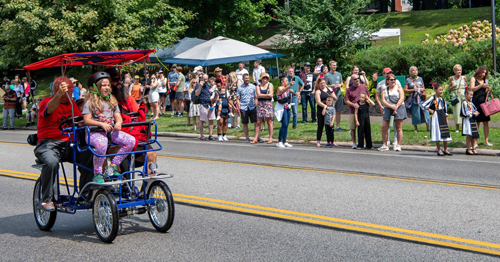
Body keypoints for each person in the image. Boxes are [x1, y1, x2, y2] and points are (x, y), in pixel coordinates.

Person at [34, 76, 94, 211]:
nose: (73, 90)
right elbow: (49, 109)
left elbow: (80, 121)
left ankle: (86, 193)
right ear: (58, 89)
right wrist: (59, 94)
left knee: (90, 154)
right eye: (69, 88)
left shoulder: (72, 104)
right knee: (51, 162)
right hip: (49, 144)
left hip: (70, 144)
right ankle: (46, 199)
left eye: (72, 87)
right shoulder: (46, 101)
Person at [82, 72, 136, 183]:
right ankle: (97, 173)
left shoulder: (112, 100)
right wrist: (101, 124)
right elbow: (87, 120)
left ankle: (113, 164)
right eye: (103, 85)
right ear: (97, 87)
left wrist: (118, 123)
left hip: (110, 132)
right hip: (94, 133)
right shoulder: (89, 102)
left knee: (131, 141)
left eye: (108, 85)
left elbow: (118, 116)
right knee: (102, 143)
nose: (107, 88)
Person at [105, 68, 158, 176]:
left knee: (152, 154)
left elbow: (136, 118)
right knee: (119, 152)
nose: (119, 83)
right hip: (114, 141)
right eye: (115, 80)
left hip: (133, 137)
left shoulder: (128, 98)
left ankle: (148, 188)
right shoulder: (104, 101)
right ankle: (125, 185)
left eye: (120, 80)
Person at [422, 83, 452, 156]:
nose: (441, 91)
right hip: (436, 115)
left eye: (442, 90)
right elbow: (423, 105)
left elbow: (445, 109)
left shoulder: (442, 99)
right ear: (435, 90)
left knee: (445, 132)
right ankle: (439, 150)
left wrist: (446, 118)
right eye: (439, 90)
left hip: (442, 115)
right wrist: (430, 110)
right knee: (437, 131)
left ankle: (445, 149)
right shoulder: (432, 98)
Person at [379, 74, 406, 152]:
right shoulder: (384, 90)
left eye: (394, 79)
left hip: (399, 107)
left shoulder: (399, 88)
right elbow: (383, 101)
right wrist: (391, 107)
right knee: (384, 127)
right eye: (391, 79)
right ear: (387, 81)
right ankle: (385, 144)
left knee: (398, 127)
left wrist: (396, 106)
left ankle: (398, 145)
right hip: (388, 108)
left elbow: (402, 98)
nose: (393, 81)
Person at [375, 68, 401, 146]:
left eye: (390, 72)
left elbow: (400, 94)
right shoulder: (381, 84)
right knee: (386, 123)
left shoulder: (397, 82)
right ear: (383, 74)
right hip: (386, 106)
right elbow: (377, 96)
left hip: (396, 106)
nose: (389, 74)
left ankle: (396, 139)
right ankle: (387, 139)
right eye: (387, 73)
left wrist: (397, 106)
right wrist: (380, 106)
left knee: (396, 123)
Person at [344, 73, 369, 149]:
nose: (357, 80)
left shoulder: (364, 87)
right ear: (352, 81)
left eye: (358, 78)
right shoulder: (349, 90)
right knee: (353, 128)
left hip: (362, 112)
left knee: (363, 128)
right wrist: (353, 104)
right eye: (355, 79)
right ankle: (354, 143)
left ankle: (363, 142)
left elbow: (368, 97)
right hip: (353, 111)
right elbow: (346, 100)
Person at [470, 66, 493, 146]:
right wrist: (481, 86)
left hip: (484, 103)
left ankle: (486, 141)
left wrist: (487, 89)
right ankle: (475, 141)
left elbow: (485, 91)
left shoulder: (485, 80)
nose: (484, 74)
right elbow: (472, 89)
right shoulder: (473, 79)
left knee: (486, 122)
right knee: (477, 122)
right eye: (483, 72)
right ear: (479, 71)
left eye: (485, 73)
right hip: (476, 103)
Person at [404, 66, 430, 132]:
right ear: (410, 72)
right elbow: (405, 90)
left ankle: (428, 127)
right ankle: (416, 128)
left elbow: (423, 87)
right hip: (413, 99)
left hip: (421, 98)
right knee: (415, 113)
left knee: (425, 111)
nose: (414, 72)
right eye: (413, 70)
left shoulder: (420, 79)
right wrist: (413, 90)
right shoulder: (408, 80)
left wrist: (422, 89)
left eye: (416, 70)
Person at [237, 73, 259, 142]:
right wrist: (239, 107)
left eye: (248, 78)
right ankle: (247, 137)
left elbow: (256, 96)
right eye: (245, 78)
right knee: (245, 123)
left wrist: (256, 103)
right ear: (243, 79)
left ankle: (257, 137)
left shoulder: (253, 87)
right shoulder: (240, 88)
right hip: (243, 107)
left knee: (256, 122)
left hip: (252, 106)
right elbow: (238, 98)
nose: (247, 79)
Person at [315, 78, 337, 147]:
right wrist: (325, 106)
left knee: (330, 126)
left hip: (329, 111)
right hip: (322, 110)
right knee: (320, 126)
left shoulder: (329, 90)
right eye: (321, 83)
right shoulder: (318, 91)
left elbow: (335, 98)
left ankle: (332, 141)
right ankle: (318, 141)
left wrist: (333, 96)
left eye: (323, 83)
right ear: (319, 84)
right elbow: (318, 101)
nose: (322, 84)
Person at [254, 73, 274, 144]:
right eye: (264, 78)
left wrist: (265, 95)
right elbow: (258, 95)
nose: (265, 79)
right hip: (260, 104)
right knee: (258, 122)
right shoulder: (258, 86)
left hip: (268, 104)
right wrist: (267, 95)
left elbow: (271, 95)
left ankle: (270, 138)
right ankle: (256, 138)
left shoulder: (270, 85)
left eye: (266, 78)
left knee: (269, 121)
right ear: (261, 79)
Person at [324, 61, 344, 131]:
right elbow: (324, 85)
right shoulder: (327, 75)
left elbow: (342, 82)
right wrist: (331, 86)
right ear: (330, 66)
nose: (334, 67)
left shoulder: (339, 74)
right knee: (330, 111)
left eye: (335, 65)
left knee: (338, 111)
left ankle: (338, 127)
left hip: (339, 94)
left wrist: (341, 85)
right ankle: (330, 126)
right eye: (333, 65)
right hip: (331, 96)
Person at [196, 74, 216, 140]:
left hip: (209, 104)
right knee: (202, 120)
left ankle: (210, 135)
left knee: (211, 119)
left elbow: (210, 94)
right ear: (201, 78)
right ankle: (202, 135)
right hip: (203, 104)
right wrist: (200, 86)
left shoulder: (208, 85)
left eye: (206, 79)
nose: (205, 80)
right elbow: (197, 94)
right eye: (204, 79)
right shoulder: (198, 85)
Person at [448, 64, 467, 133]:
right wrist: (452, 87)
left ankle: (464, 126)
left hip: (463, 94)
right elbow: (449, 88)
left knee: (464, 110)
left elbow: (466, 86)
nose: (459, 72)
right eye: (458, 70)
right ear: (454, 71)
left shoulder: (463, 78)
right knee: (456, 111)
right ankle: (457, 128)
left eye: (460, 70)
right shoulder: (451, 78)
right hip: (455, 95)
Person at [275, 77, 293, 148]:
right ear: (282, 81)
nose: (287, 82)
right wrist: (289, 86)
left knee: (286, 124)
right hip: (281, 108)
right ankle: (279, 141)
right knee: (284, 124)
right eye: (286, 81)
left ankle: (284, 141)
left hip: (287, 107)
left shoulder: (287, 89)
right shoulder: (280, 88)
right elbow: (280, 92)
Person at [461, 88, 480, 155]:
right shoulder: (464, 103)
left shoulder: (470, 103)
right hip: (467, 120)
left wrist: (476, 112)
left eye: (472, 95)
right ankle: (468, 148)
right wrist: (472, 113)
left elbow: (474, 108)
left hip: (473, 120)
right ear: (466, 94)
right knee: (469, 135)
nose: (471, 96)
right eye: (470, 95)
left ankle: (473, 148)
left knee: (474, 135)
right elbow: (464, 113)